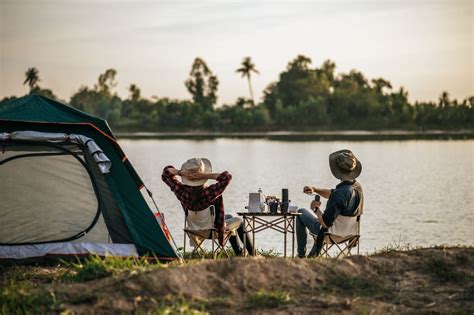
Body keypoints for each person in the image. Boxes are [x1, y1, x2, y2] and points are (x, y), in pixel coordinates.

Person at [161, 158, 255, 256]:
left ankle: (239, 252)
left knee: (228, 217)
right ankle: (251, 254)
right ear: (202, 178)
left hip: (194, 231)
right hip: (212, 232)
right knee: (239, 221)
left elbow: (165, 174)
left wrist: (181, 173)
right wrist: (204, 175)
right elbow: (227, 177)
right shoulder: (209, 192)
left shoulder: (180, 191)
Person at [296, 149, 364, 257]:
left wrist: (316, 209)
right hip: (350, 234)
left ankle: (301, 255)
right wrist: (315, 189)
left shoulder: (340, 194)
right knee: (327, 221)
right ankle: (311, 256)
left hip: (331, 234)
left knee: (301, 212)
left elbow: (324, 223)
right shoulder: (357, 187)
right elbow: (333, 194)